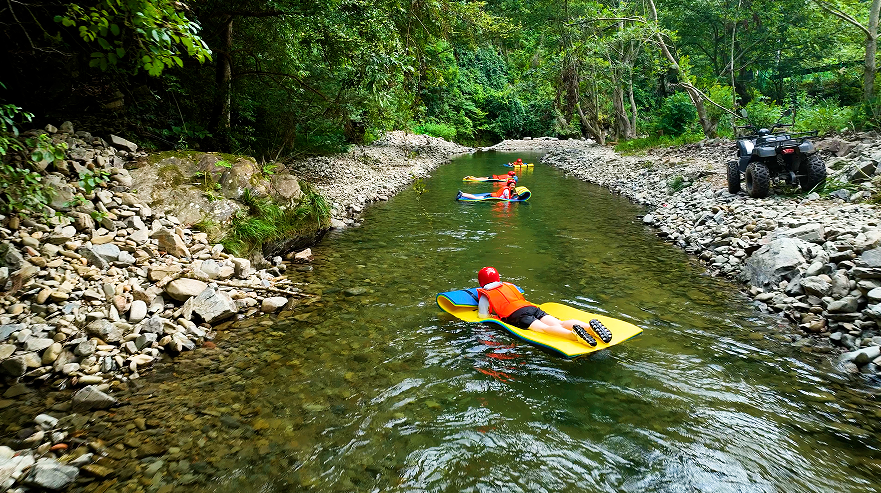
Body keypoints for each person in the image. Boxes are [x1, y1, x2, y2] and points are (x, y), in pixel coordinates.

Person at [475, 266, 612, 347]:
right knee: (560, 322)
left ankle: (574, 336)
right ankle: (590, 328)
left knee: (544, 329)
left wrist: (494, 316)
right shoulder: (509, 285)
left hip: (517, 315)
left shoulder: (486, 294)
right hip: (531, 307)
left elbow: (483, 316)